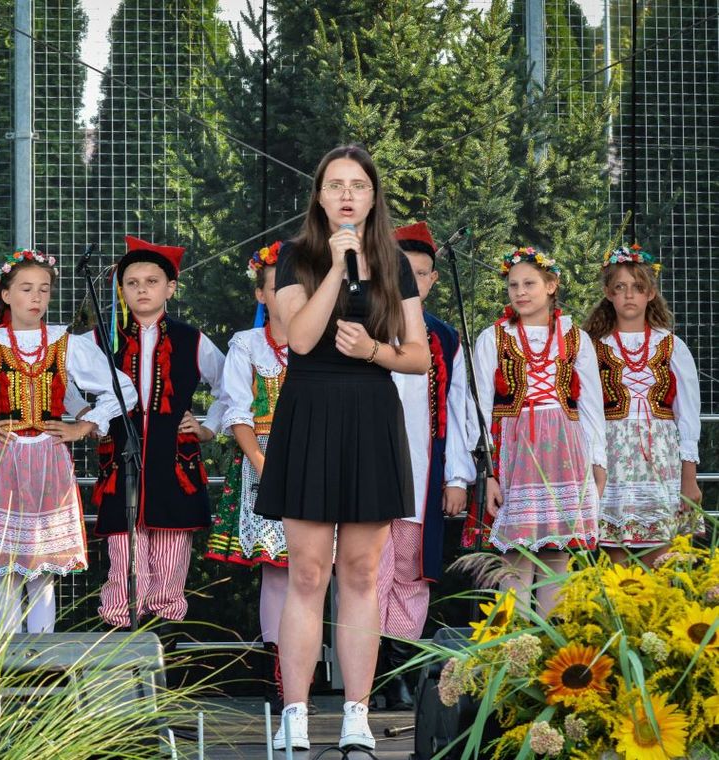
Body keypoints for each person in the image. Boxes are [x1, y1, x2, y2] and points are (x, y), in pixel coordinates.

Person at [254, 145, 431, 752]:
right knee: (306, 572)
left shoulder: (393, 263)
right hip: (310, 411)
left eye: (358, 185)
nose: (347, 195)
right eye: (335, 185)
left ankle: (357, 715)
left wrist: (372, 353)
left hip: (370, 413)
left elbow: (419, 357)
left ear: (373, 197)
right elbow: (298, 340)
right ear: (320, 197)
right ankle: (296, 715)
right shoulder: (293, 258)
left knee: (360, 573)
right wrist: (335, 268)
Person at [0, 248, 134, 633]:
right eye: (26, 288)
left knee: (43, 570)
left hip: (49, 460)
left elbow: (121, 389)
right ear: (6, 295)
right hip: (4, 459)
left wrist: (85, 425)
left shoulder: (67, 344)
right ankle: (6, 663)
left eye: (44, 289)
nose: (37, 297)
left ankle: (41, 663)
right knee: (6, 570)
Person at [461, 246, 606, 614]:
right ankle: (513, 647)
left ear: (552, 285)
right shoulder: (492, 338)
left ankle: (548, 649)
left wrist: (597, 465)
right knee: (516, 555)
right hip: (515, 454)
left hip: (565, 452)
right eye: (513, 285)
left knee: (557, 554)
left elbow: (590, 408)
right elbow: (475, 409)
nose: (520, 292)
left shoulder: (575, 339)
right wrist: (487, 473)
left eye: (529, 283)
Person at [93, 236, 225, 632]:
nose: (142, 290)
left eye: (152, 281)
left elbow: (231, 389)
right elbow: (61, 380)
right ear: (122, 290)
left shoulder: (192, 339)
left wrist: (207, 428)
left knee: (170, 550)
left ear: (170, 288)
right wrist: (85, 415)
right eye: (132, 282)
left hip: (175, 460)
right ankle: (119, 627)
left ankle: (164, 628)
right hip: (121, 459)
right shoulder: (101, 338)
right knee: (124, 551)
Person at [376, 222, 477, 709]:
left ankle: (399, 670)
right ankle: (369, 670)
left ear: (433, 280)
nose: (410, 282)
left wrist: (457, 476)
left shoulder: (444, 337)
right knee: (368, 571)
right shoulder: (364, 324)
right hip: (370, 474)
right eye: (402, 272)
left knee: (411, 573)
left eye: (420, 274)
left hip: (423, 471)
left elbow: (458, 412)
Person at [204, 241, 292, 707]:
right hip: (263, 462)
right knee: (278, 573)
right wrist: (262, 466)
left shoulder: (319, 342)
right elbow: (237, 411)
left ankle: (306, 674)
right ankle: (278, 676)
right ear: (261, 295)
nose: (288, 295)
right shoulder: (247, 344)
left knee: (317, 573)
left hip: (316, 465)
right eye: (277, 287)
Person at [583, 243, 701, 564]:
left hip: (661, 460)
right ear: (608, 293)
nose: (629, 295)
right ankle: (619, 614)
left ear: (650, 293)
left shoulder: (671, 345)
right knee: (615, 557)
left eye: (638, 287)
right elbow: (586, 412)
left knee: (662, 555)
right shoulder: (593, 348)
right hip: (612, 460)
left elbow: (687, 416)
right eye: (620, 287)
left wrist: (689, 480)